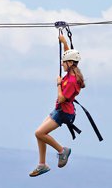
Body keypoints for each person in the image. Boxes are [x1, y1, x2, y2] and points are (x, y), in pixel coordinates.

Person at [30, 34, 85, 177]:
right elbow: (69, 56)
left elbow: (61, 98)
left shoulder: (72, 80)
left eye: (63, 62)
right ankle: (42, 164)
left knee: (39, 133)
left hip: (64, 112)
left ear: (70, 63)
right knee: (40, 134)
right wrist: (64, 42)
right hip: (59, 110)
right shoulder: (71, 70)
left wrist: (58, 84)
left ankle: (62, 151)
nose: (62, 64)